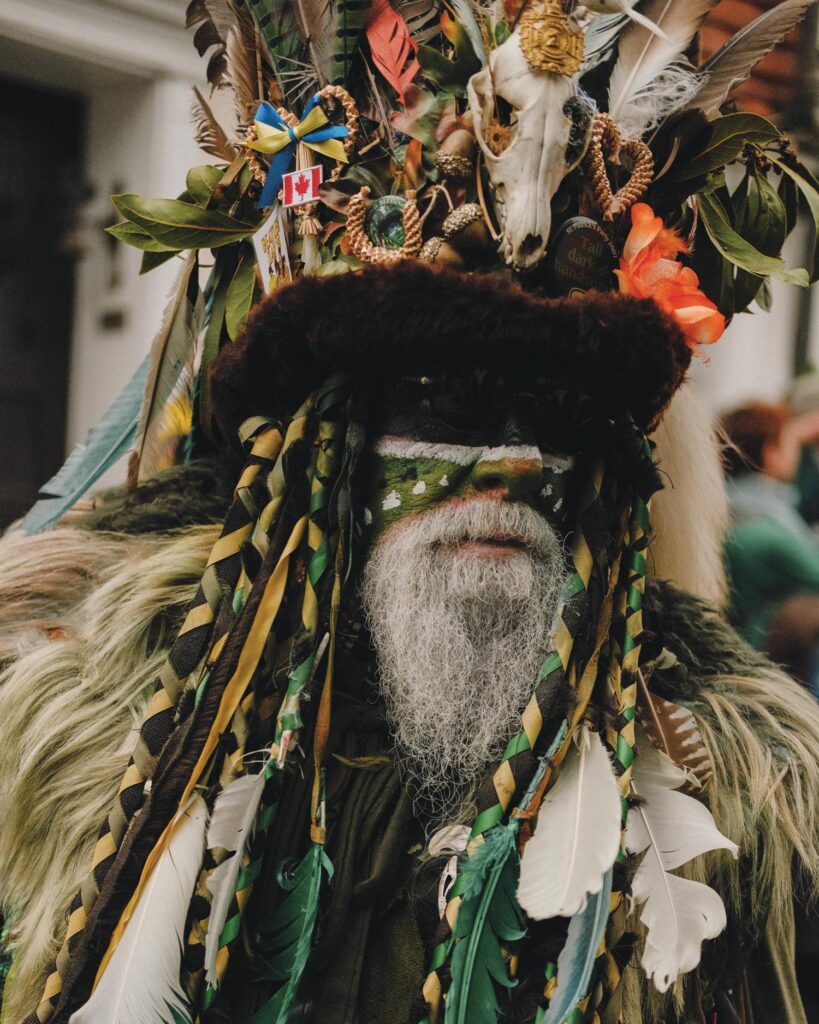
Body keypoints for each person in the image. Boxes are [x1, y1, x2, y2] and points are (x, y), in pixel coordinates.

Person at [1, 4, 819, 1024]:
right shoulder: (90, 741)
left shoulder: (745, 800)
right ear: (329, 456)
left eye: (551, 417)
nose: (504, 465)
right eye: (440, 400)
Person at [722, 401, 819, 693]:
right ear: (770, 452)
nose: (798, 451)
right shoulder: (766, 528)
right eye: (790, 443)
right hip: (755, 652)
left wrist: (794, 432)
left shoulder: (733, 502)